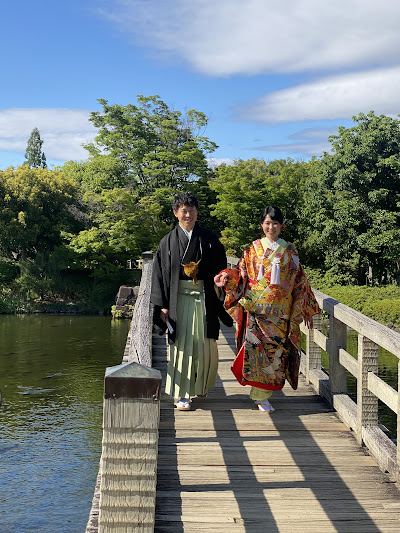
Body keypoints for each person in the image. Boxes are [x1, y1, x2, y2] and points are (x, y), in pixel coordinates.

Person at [214, 205, 320, 412]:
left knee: (276, 353)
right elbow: (241, 275)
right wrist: (228, 277)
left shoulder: (290, 251)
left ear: (282, 226)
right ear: (262, 224)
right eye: (267, 223)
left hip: (281, 312)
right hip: (257, 310)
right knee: (256, 352)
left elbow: (300, 281)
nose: (271, 227)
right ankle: (260, 398)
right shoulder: (252, 249)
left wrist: (306, 308)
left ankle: (265, 394)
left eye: (275, 223)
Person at [151, 192, 233, 411]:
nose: (188, 214)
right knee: (181, 348)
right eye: (184, 211)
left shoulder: (209, 239)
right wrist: (163, 305)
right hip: (178, 300)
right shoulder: (167, 242)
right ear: (175, 213)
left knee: (206, 346)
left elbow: (222, 267)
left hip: (205, 298)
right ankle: (181, 393)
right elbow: (158, 275)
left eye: (192, 210)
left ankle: (200, 385)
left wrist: (221, 279)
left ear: (197, 212)